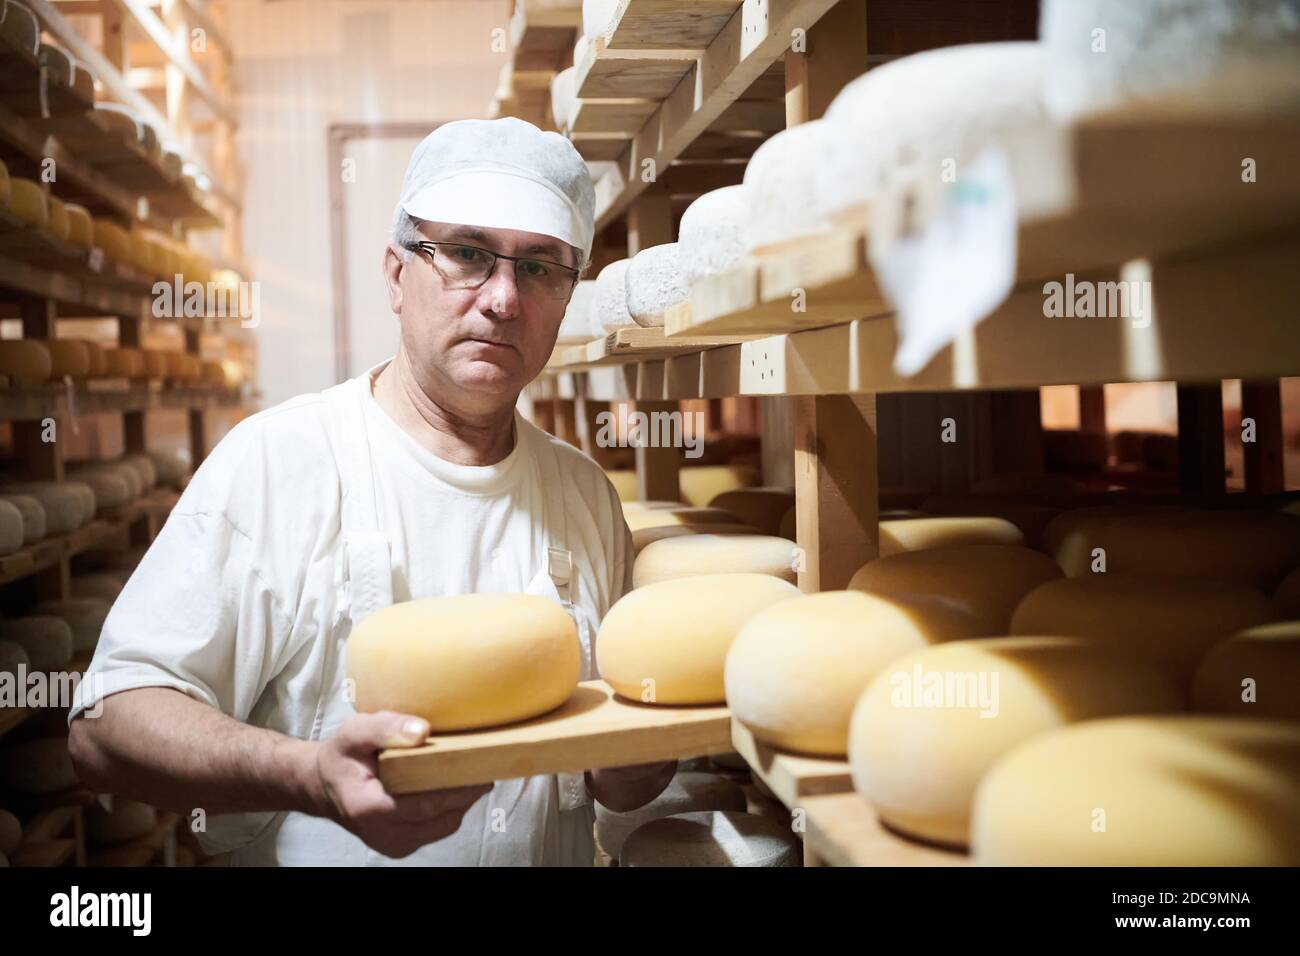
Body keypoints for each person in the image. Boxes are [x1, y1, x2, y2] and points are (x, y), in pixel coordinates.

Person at [68, 117, 674, 865]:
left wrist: (642, 758)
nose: (503, 298)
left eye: (541, 266)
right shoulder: (279, 463)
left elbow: (615, 784)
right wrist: (307, 775)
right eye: (466, 254)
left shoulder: (584, 493)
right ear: (396, 274)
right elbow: (105, 729)